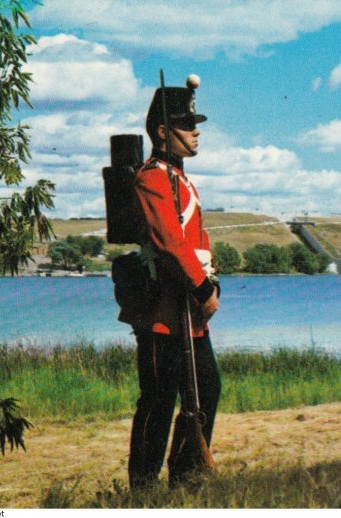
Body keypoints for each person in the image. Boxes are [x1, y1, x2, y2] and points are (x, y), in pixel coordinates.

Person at [125, 75, 221, 489]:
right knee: (159, 403)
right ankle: (143, 490)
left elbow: (197, 245)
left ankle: (185, 477)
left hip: (191, 315)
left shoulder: (179, 179)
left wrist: (209, 285)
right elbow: (170, 242)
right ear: (164, 133)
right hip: (164, 313)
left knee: (206, 393)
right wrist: (203, 289)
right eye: (187, 124)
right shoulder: (153, 177)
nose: (196, 131)